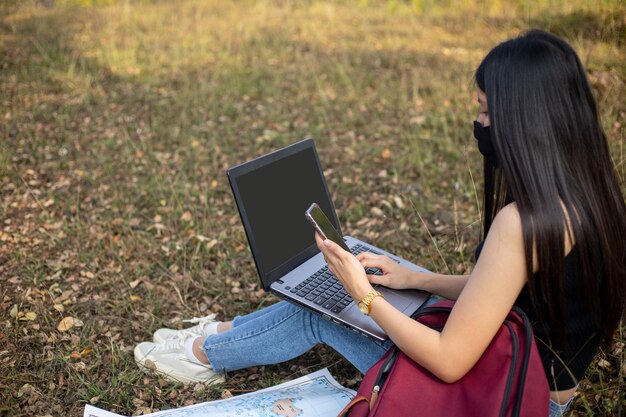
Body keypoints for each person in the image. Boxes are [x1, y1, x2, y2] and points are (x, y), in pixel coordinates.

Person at [134, 29, 626, 417]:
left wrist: (363, 298)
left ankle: (203, 355)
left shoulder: (522, 221)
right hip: (528, 377)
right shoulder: (588, 193)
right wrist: (414, 279)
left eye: (484, 112)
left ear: (524, 121)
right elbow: (508, 291)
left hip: (503, 397)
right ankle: (227, 330)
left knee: (324, 310)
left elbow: (450, 362)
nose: (479, 124)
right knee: (357, 286)